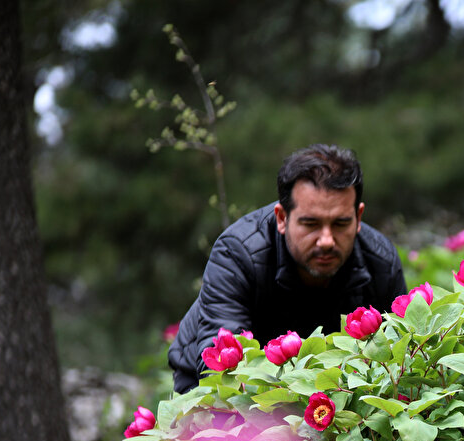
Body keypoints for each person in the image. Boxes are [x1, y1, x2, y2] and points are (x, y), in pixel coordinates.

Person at [168, 144, 407, 393]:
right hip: (213, 385)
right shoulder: (237, 254)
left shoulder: (381, 261)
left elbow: (400, 361)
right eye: (311, 224)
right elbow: (220, 370)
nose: (327, 240)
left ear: (358, 217)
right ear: (282, 217)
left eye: (340, 223)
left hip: (334, 389)